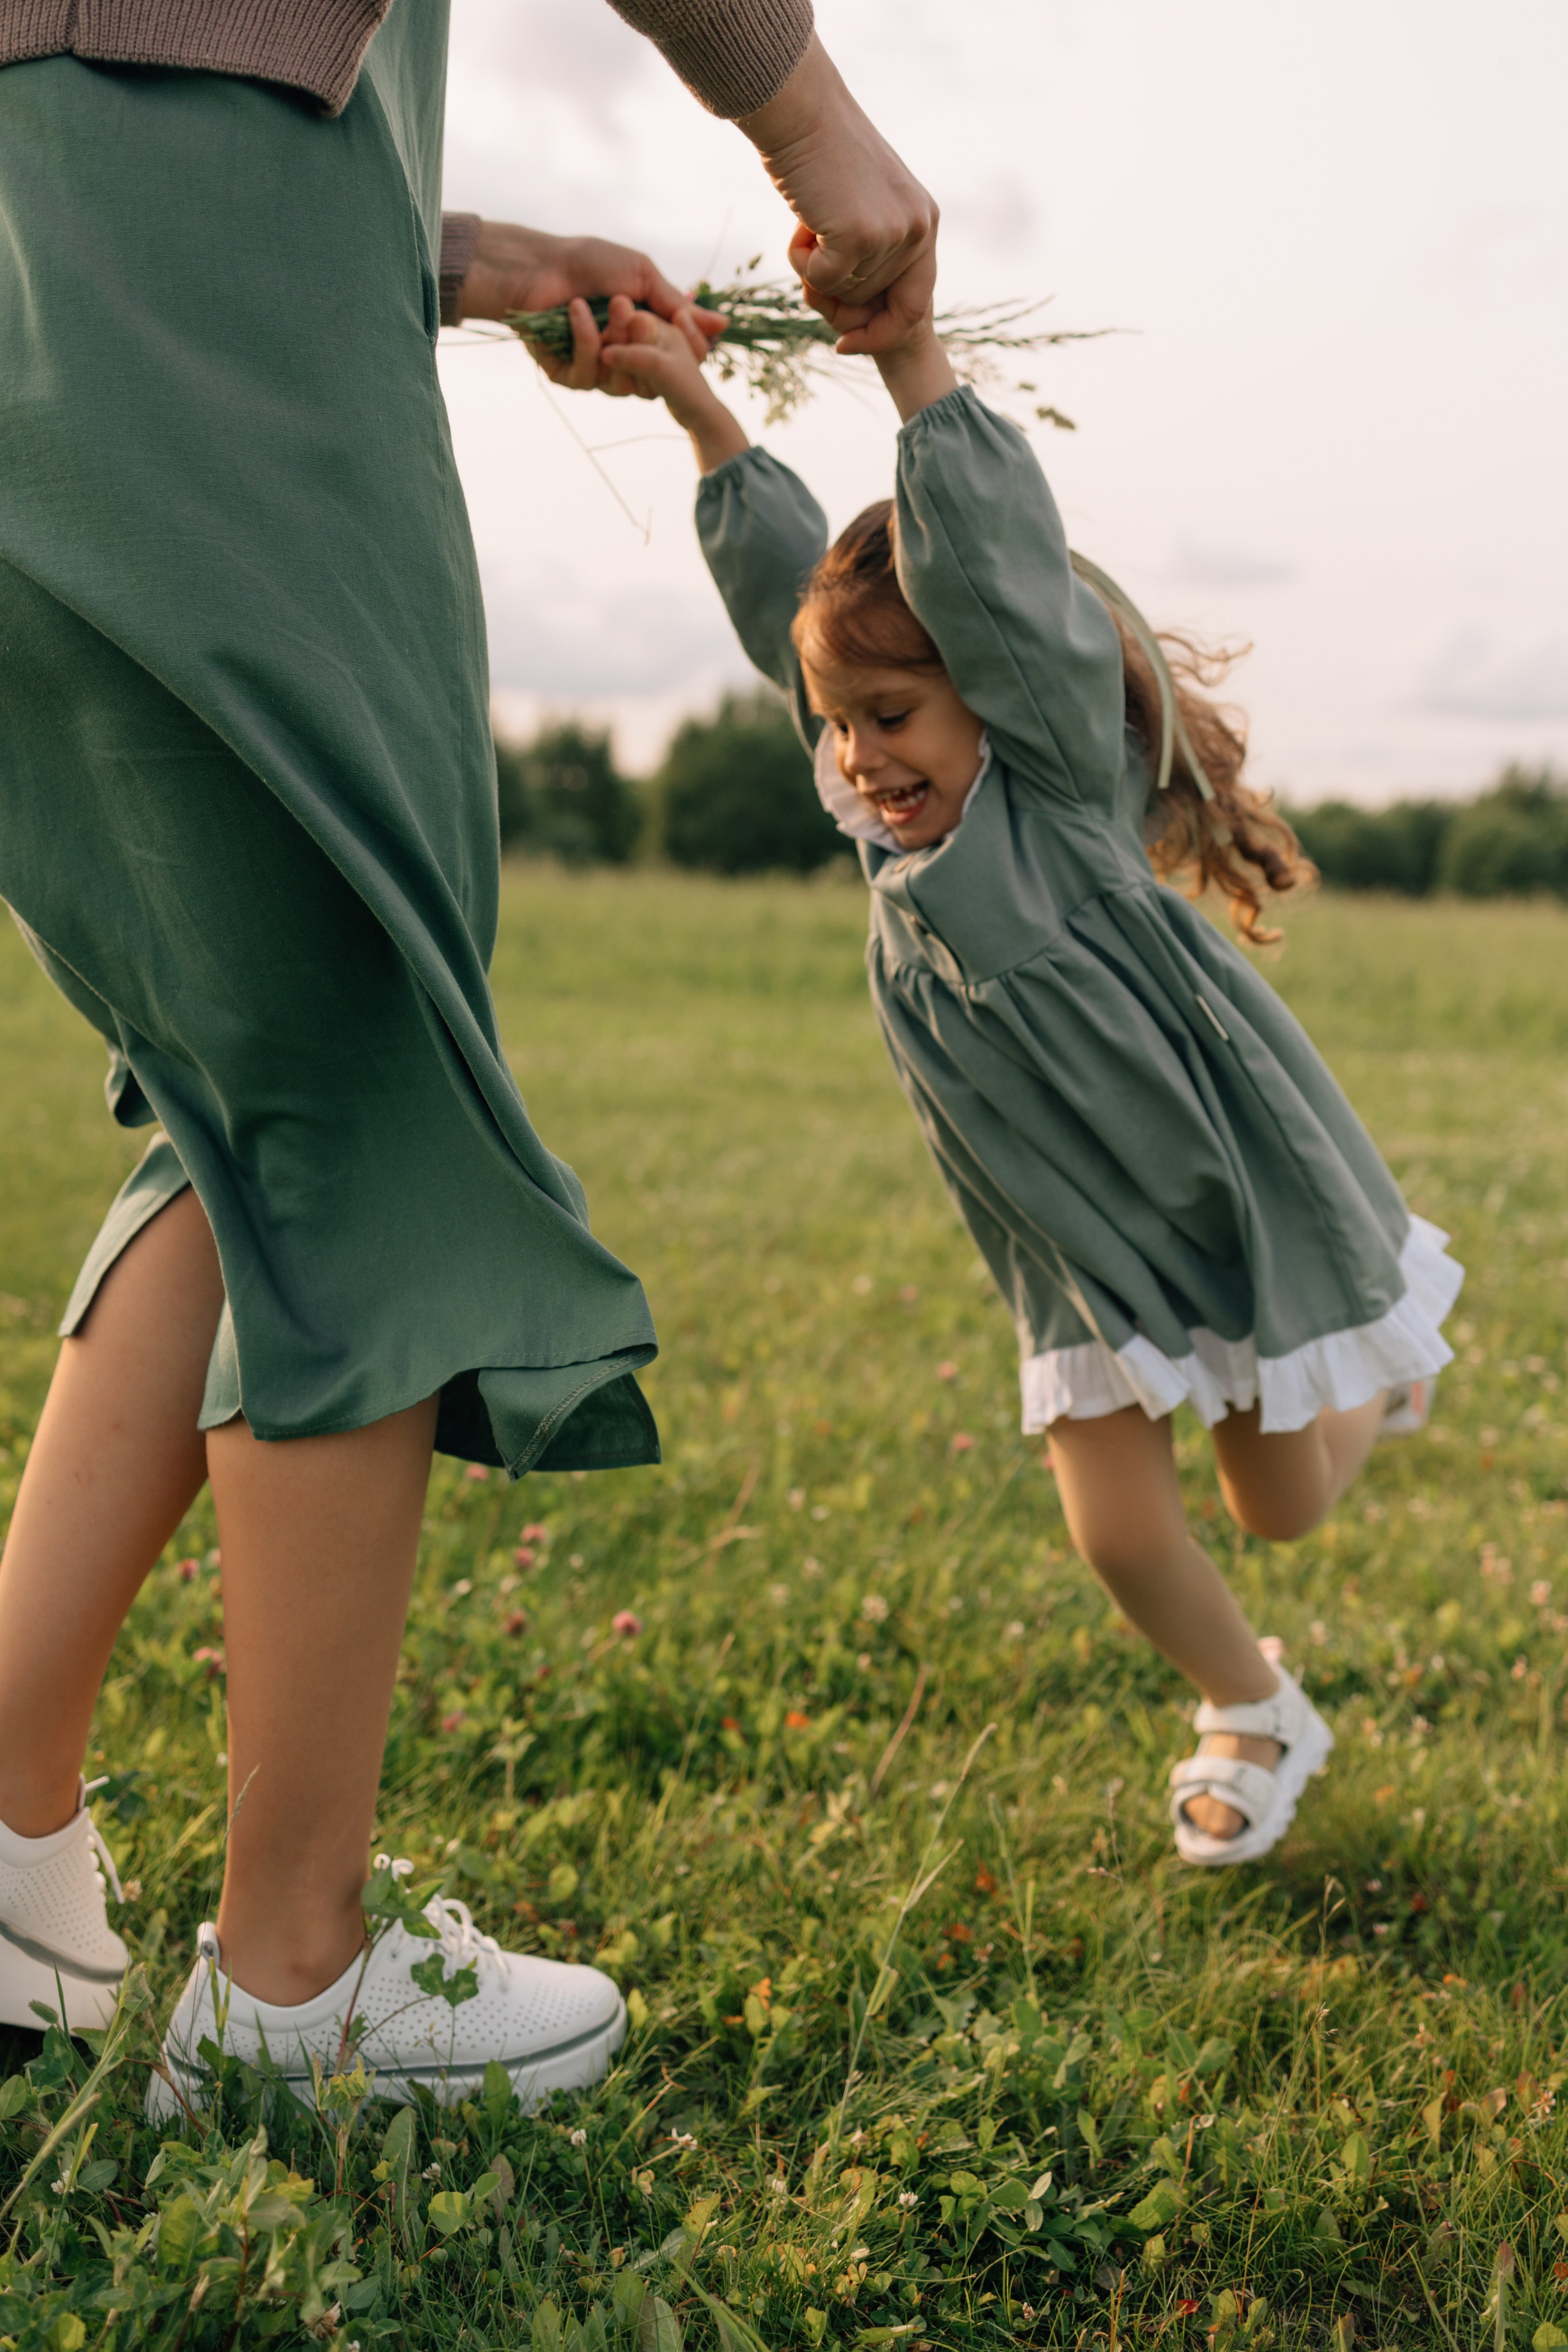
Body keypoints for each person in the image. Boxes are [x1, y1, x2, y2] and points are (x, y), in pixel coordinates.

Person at [0, 0, 936, 2113]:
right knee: (351, 1088)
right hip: (223, 322)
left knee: (240, 1088)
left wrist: (463, 251)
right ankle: (297, 1982)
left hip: (41, 300)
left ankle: (5, 1840)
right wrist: (814, 126)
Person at [574, 268, 1464, 1867]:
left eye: (893, 715)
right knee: (1118, 1532)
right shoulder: (882, 817)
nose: (855, 755)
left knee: (1282, 1505)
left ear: (997, 688)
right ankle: (1255, 1708)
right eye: (839, 722)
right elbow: (783, 586)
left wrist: (911, 359)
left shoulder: (1046, 784)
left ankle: (1374, 1379)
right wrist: (699, 407)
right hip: (1068, 1238)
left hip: (1209, 1195)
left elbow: (983, 559)